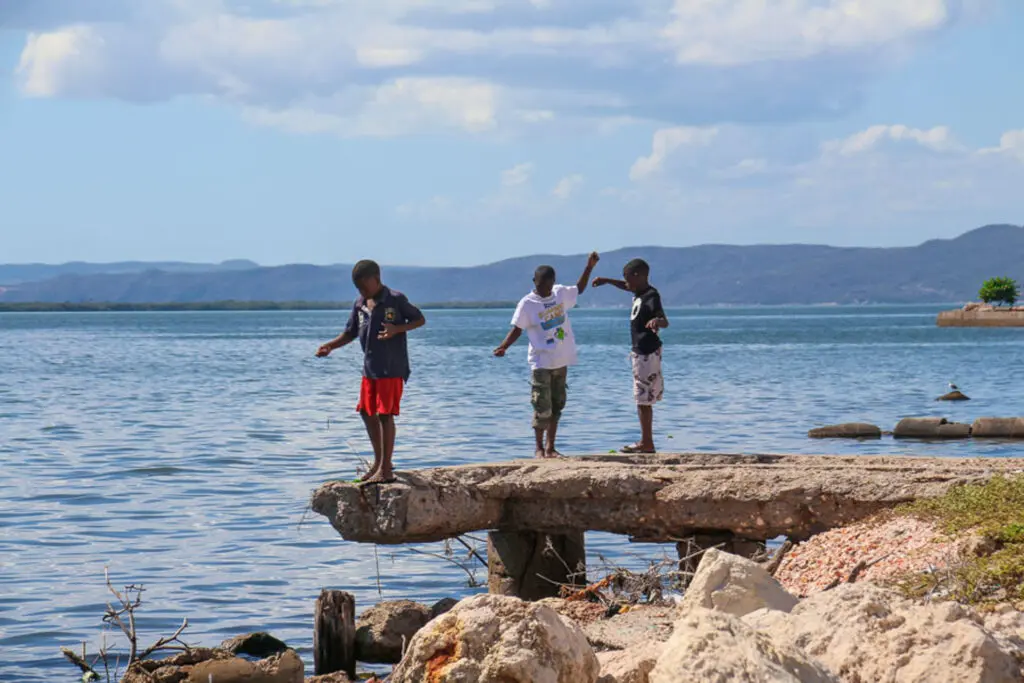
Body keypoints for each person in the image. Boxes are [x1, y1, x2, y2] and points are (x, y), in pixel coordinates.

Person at [316, 260, 426, 484]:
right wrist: (330, 346)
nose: (362, 291)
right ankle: (379, 462)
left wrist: (397, 329)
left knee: (385, 414)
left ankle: (386, 469)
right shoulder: (360, 304)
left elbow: (419, 319)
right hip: (370, 369)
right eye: (358, 288)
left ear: (376, 279)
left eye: (365, 286)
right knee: (367, 412)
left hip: (391, 367)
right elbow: (350, 333)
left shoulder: (395, 299)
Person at [494, 252, 600, 458]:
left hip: (562, 359)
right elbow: (517, 328)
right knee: (542, 404)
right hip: (541, 360)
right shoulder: (527, 303)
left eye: (549, 285)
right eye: (541, 285)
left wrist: (589, 267)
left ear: (553, 282)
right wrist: (504, 346)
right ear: (534, 282)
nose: (545, 290)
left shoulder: (560, 293)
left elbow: (579, 288)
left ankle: (551, 447)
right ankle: (539, 449)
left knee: (557, 405)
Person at [593, 258, 669, 453]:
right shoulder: (639, 292)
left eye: (628, 279)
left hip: (646, 352)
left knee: (642, 399)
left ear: (639, 276)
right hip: (642, 352)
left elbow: (664, 320)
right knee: (643, 398)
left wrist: (655, 321)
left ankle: (646, 442)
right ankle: (647, 441)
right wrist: (607, 281)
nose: (626, 284)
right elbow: (626, 287)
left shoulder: (651, 295)